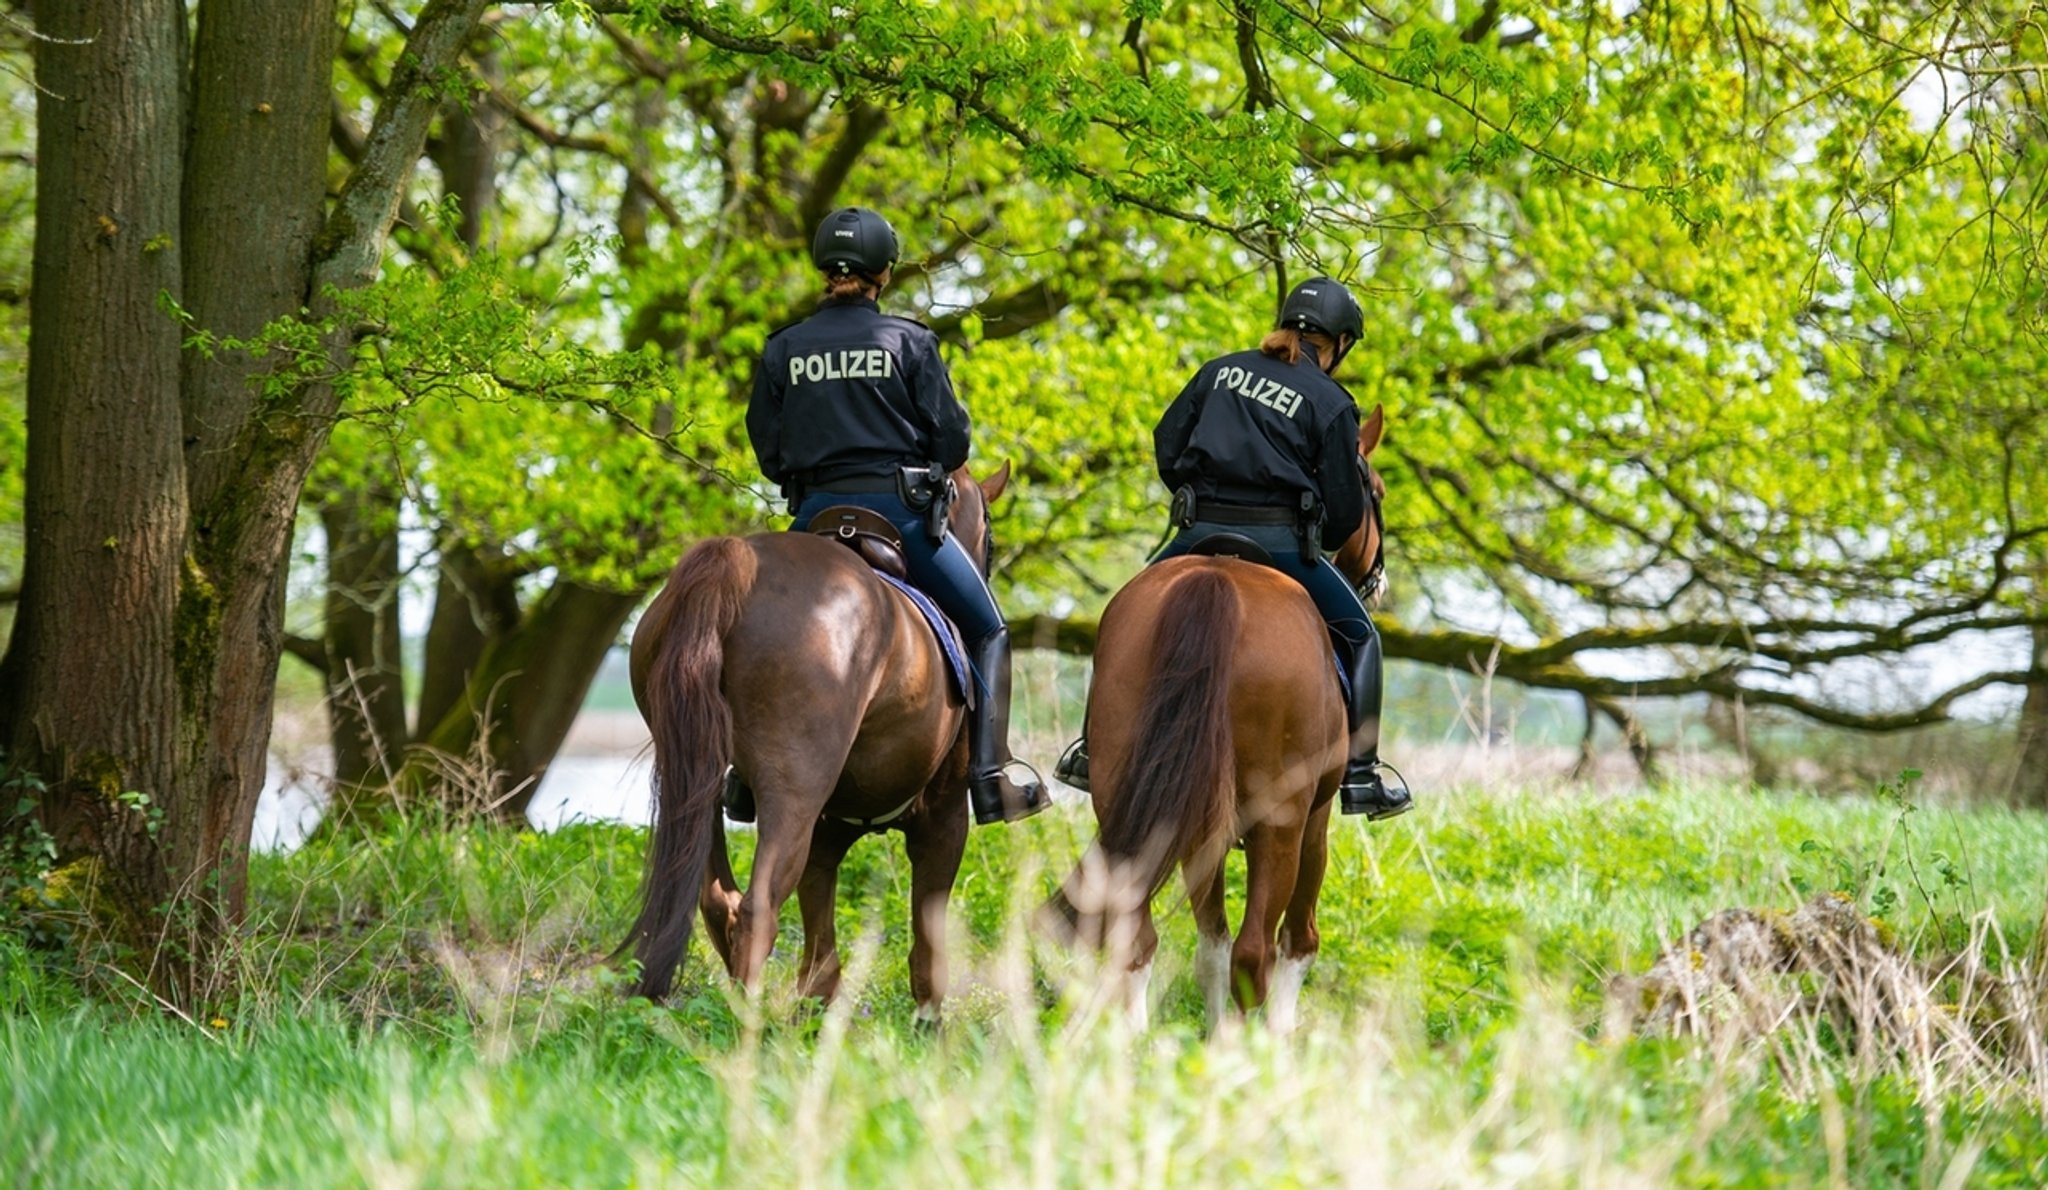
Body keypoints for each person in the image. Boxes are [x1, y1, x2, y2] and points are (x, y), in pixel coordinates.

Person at [1055, 276, 1411, 819]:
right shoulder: (1333, 402)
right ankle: (1362, 776)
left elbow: (1167, 443)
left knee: (1120, 618)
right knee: (1363, 638)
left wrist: (1197, 496)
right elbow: (1343, 512)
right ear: (1338, 343)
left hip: (1200, 534)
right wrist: (1315, 531)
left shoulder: (1220, 371)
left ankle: (1089, 749)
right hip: (1284, 544)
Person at [740, 205, 1049, 827]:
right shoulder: (908, 341)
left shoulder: (785, 348)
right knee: (989, 631)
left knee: (752, 626)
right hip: (900, 518)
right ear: (884, 272)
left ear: (825, 269)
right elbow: (953, 443)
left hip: (816, 520)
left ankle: (741, 775)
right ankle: (988, 778)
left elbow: (767, 450)